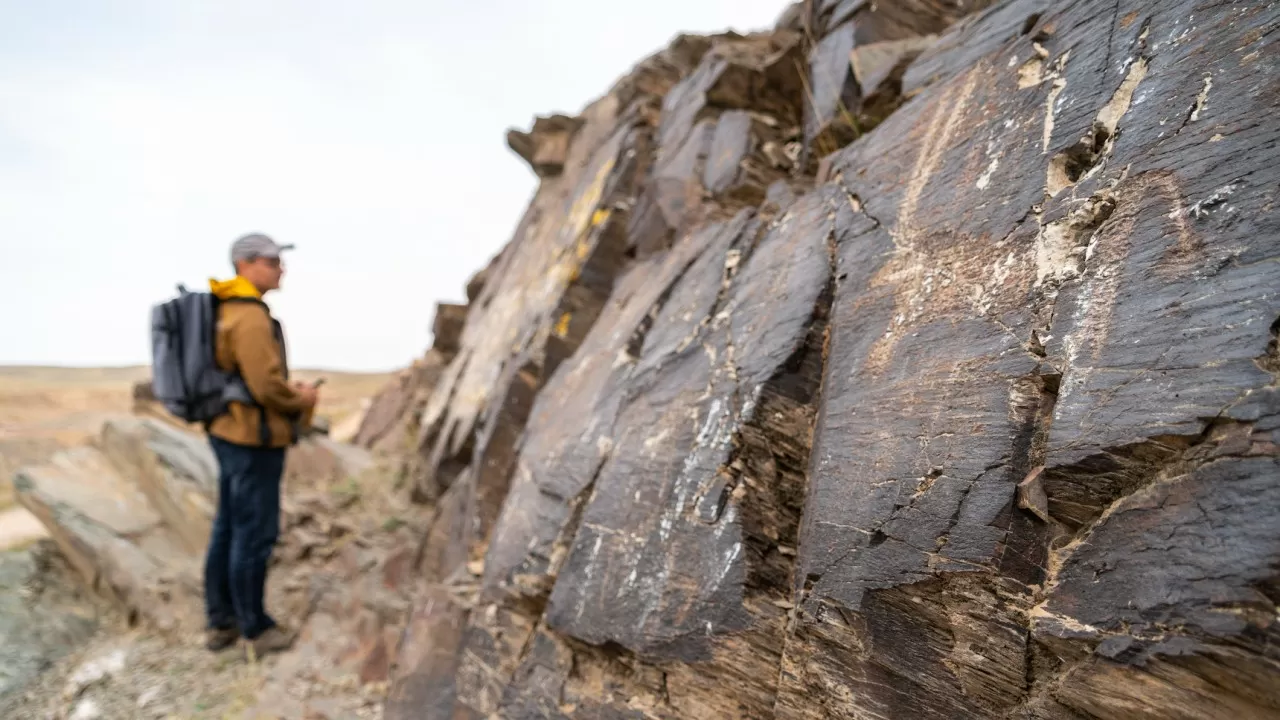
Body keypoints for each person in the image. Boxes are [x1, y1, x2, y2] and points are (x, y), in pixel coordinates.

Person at [202, 232, 320, 658]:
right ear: (246, 264)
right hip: (253, 440)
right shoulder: (248, 315)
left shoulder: (225, 310)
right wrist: (302, 398)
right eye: (272, 261)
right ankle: (255, 628)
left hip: (229, 434)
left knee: (229, 528)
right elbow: (266, 386)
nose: (280, 267)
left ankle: (221, 622)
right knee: (253, 533)